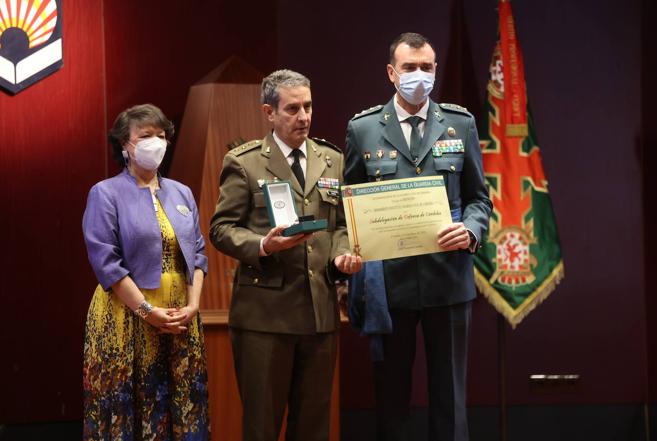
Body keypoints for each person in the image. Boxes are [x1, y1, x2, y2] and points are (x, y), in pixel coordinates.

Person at [344, 33, 492, 441]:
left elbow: (480, 198)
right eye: (409, 68)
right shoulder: (364, 128)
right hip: (390, 283)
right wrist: (351, 249)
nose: (419, 76)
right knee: (391, 398)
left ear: (435, 70)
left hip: (448, 277)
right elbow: (348, 204)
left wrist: (471, 230)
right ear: (392, 73)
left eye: (426, 67)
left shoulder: (460, 123)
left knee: (450, 398)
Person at [209, 69, 362, 441]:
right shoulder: (244, 163)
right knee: (262, 427)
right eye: (292, 108)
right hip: (265, 318)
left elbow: (342, 224)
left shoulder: (332, 160)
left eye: (308, 106)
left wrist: (343, 255)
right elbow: (221, 229)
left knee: (313, 427)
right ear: (269, 113)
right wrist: (264, 245)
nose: (304, 116)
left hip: (319, 315)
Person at [82, 104, 210, 440]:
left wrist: (194, 305)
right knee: (130, 407)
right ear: (125, 145)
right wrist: (146, 310)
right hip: (127, 317)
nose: (156, 142)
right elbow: (106, 264)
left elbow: (197, 253)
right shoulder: (105, 193)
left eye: (161, 135)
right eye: (145, 136)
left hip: (180, 317)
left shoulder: (181, 192)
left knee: (182, 403)